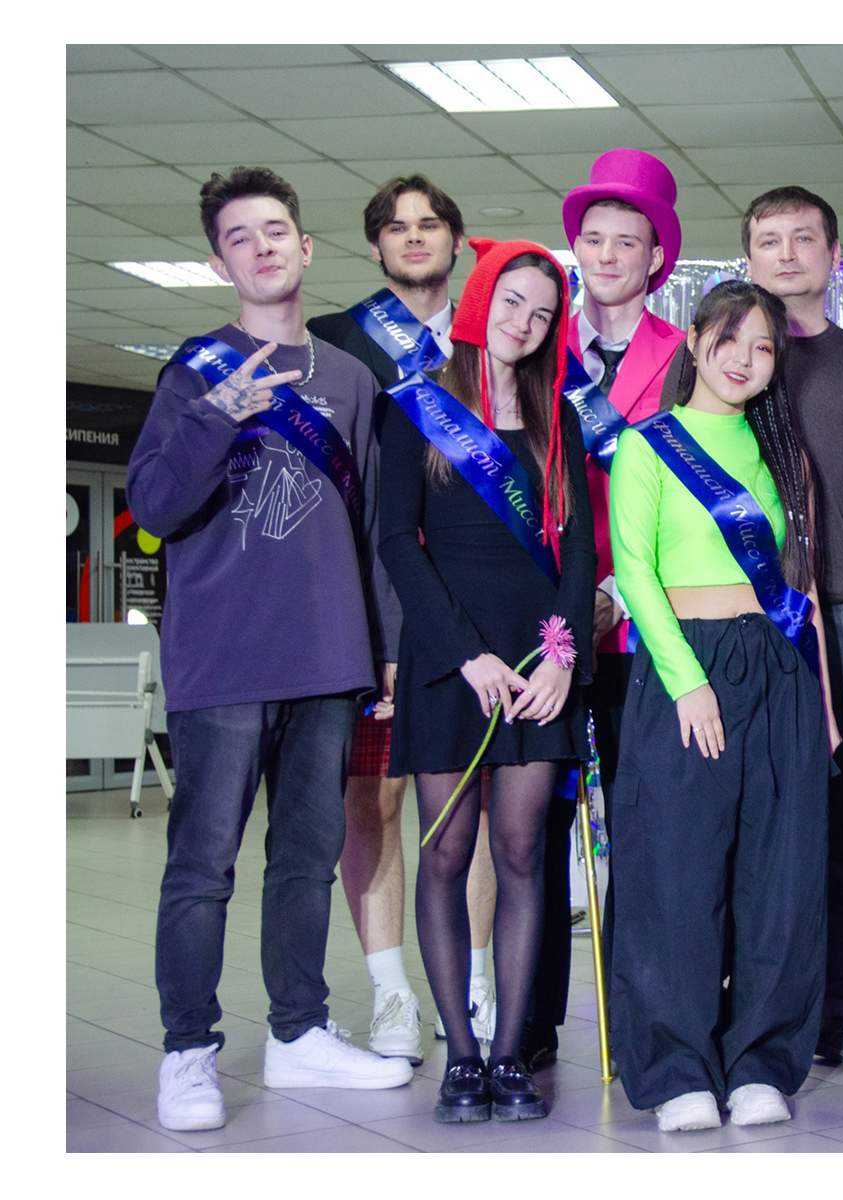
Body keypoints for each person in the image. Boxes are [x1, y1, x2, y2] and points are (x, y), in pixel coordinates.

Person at [129, 167, 414, 1134]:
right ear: (221, 263)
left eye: (276, 230)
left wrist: (385, 644)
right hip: (222, 661)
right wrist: (219, 414)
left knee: (307, 856)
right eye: (240, 237)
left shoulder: (350, 381)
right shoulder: (194, 371)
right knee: (202, 863)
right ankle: (188, 1051)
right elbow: (155, 507)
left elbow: (373, 528)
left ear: (305, 245)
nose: (262, 247)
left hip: (327, 658)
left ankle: (298, 1032)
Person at [607, 281, 836, 1133]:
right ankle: (677, 1069)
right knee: (676, 870)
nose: (744, 359)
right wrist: (687, 681)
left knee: (779, 874)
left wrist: (820, 698)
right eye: (730, 339)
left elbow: (800, 585)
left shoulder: (780, 453)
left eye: (763, 347)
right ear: (696, 339)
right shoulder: (647, 446)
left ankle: (761, 1063)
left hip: (775, 666)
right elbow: (635, 572)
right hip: (684, 670)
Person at [378, 237, 596, 1124]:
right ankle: (460, 1058)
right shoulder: (417, 406)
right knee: (444, 852)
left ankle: (510, 1053)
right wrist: (463, 653)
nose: (525, 323)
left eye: (543, 313)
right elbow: (397, 541)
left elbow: (579, 549)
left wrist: (563, 656)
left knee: (520, 853)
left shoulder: (558, 417)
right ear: (478, 302)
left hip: (537, 663)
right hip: (451, 660)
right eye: (513, 302)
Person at [307, 174, 498, 1063]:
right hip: (373, 604)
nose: (414, 237)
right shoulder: (335, 341)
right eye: (396, 226)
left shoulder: (496, 338)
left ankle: (478, 982)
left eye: (429, 223)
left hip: (476, 608)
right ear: (376, 245)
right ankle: (390, 993)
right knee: (372, 800)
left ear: (456, 239)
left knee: (476, 799)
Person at [522, 148, 688, 1072]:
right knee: (535, 822)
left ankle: (640, 1019)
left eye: (629, 240)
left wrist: (615, 589)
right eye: (594, 238)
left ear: (656, 256)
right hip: (547, 621)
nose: (609, 254)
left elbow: (690, 497)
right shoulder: (534, 346)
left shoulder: (686, 355)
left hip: (639, 622)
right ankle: (531, 1020)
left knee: (644, 820)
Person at [741, 185, 843, 1070]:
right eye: (770, 240)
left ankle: (842, 1006)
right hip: (761, 614)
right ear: (750, 259)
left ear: (834, 256)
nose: (787, 253)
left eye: (804, 238)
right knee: (785, 819)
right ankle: (774, 1009)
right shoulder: (727, 359)